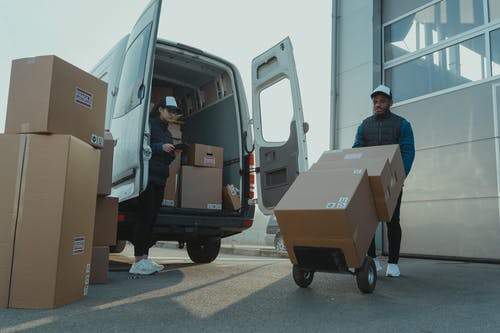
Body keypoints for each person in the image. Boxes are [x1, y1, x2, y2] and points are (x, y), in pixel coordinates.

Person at [353, 84, 415, 277]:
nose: (378, 105)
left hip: (392, 182)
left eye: (382, 101)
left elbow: (407, 152)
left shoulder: (402, 124)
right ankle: (371, 259)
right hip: (369, 181)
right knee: (368, 221)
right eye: (375, 102)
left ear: (390, 103)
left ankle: (393, 263)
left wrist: (399, 177)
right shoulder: (364, 125)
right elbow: (357, 150)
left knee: (392, 221)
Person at [129, 96, 183, 275]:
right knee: (143, 218)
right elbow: (140, 146)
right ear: (160, 109)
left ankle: (145, 258)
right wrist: (161, 147)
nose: (172, 115)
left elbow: (164, 155)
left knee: (152, 219)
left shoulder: (167, 132)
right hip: (147, 178)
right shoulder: (149, 125)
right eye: (170, 111)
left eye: (175, 112)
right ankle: (137, 261)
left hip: (160, 178)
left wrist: (171, 153)